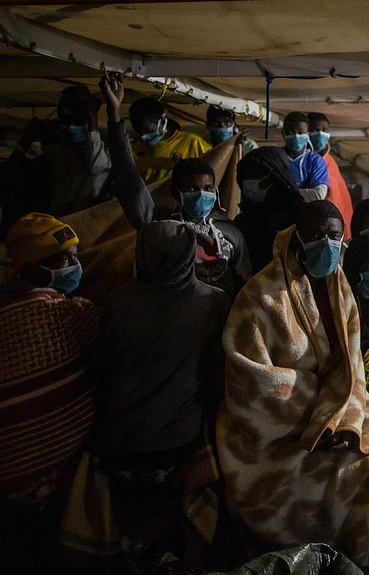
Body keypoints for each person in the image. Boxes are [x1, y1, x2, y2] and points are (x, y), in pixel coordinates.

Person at [217, 200, 369, 574]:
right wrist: (324, 422)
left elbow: (352, 371)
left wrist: (346, 422)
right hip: (279, 440)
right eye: (316, 235)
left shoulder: (340, 291)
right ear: (297, 239)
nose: (326, 244)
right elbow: (256, 386)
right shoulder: (259, 298)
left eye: (333, 235)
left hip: (341, 415)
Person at [94, 221, 231, 557]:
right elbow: (217, 381)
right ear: (190, 257)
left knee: (131, 515)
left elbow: (101, 372)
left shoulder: (115, 302)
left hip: (119, 445)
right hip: (177, 446)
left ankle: (130, 547)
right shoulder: (213, 302)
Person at [0, 213, 97, 507]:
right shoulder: (72, 313)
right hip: (58, 477)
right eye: (61, 259)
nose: (74, 267)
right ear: (30, 268)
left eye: (75, 257)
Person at [101, 75, 251, 297]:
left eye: (207, 189)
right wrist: (114, 114)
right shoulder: (159, 224)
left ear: (215, 191)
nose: (201, 194)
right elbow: (129, 182)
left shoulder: (231, 232)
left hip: (218, 320)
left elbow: (244, 286)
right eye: (191, 189)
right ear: (174, 192)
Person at [42, 85, 112, 215]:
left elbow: (96, 166)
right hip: (60, 218)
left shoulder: (105, 142)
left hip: (88, 220)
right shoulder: (63, 147)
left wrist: (92, 117)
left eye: (76, 119)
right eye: (68, 122)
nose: (71, 126)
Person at [234, 146, 305, 272]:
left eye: (255, 175)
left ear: (275, 178)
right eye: (246, 177)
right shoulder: (243, 223)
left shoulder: (299, 220)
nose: (249, 182)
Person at [126, 92, 210, 183]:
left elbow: (214, 167)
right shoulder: (135, 150)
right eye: (138, 131)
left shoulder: (193, 143)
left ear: (163, 117)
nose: (143, 136)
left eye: (148, 130)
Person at [307, 112, 354, 240]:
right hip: (317, 230)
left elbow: (339, 198)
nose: (321, 134)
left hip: (339, 230)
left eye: (325, 130)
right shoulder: (302, 163)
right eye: (316, 130)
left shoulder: (330, 161)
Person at [280, 111, 329, 202]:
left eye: (300, 132)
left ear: (307, 134)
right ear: (283, 134)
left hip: (305, 214)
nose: (296, 136)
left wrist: (281, 193)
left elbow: (318, 195)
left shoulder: (315, 161)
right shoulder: (275, 157)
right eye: (290, 132)